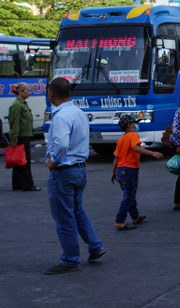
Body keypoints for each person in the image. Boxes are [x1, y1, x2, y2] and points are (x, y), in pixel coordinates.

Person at [44, 77, 105, 274]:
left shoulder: (61, 116)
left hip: (64, 171)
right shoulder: (79, 113)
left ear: (51, 93)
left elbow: (61, 144)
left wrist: (53, 160)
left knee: (64, 217)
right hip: (79, 169)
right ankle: (95, 246)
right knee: (77, 211)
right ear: (69, 93)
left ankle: (70, 259)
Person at [111, 115, 164, 230]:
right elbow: (136, 148)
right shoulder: (133, 135)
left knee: (130, 195)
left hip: (121, 171)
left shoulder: (121, 140)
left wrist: (113, 172)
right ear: (129, 125)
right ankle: (120, 220)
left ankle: (135, 217)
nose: (135, 125)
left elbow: (116, 158)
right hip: (129, 170)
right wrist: (152, 153)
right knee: (128, 196)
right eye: (133, 123)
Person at [8, 82, 40, 191]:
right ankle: (27, 185)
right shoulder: (17, 105)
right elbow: (14, 123)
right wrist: (13, 138)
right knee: (25, 161)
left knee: (19, 160)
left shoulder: (22, 103)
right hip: (22, 136)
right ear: (21, 92)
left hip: (24, 135)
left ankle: (17, 184)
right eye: (28, 90)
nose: (29, 92)